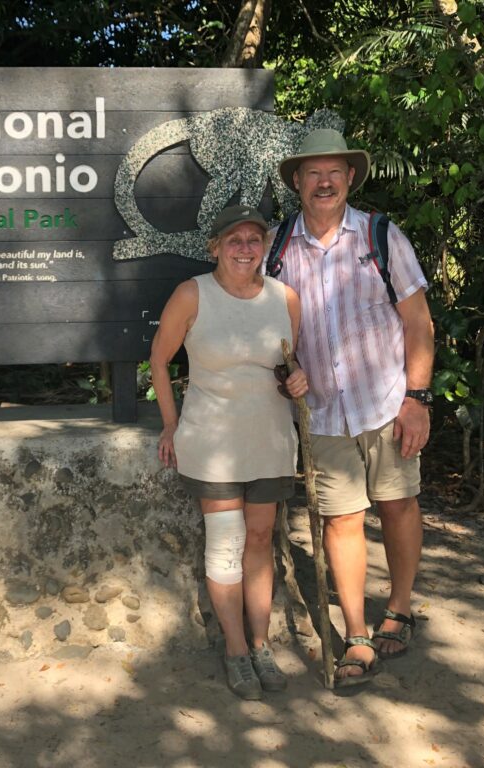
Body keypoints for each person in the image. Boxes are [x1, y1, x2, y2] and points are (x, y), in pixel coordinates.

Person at [272, 129, 434, 687]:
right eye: (313, 173)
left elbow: (419, 324)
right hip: (322, 414)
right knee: (340, 520)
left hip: (387, 404)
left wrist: (417, 400)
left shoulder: (381, 237)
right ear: (297, 181)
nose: (324, 182)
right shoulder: (274, 249)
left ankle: (401, 607)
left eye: (334, 172)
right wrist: (282, 373)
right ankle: (359, 634)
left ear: (349, 178)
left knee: (398, 506)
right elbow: (267, 335)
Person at [151, 205, 309, 700]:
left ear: (264, 247)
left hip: (269, 439)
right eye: (234, 240)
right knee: (225, 544)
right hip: (211, 440)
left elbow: (286, 367)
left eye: (254, 239)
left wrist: (297, 380)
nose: (245, 248)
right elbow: (158, 359)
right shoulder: (192, 294)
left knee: (260, 539)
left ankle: (262, 644)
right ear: (215, 247)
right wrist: (171, 425)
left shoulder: (285, 298)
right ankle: (236, 650)